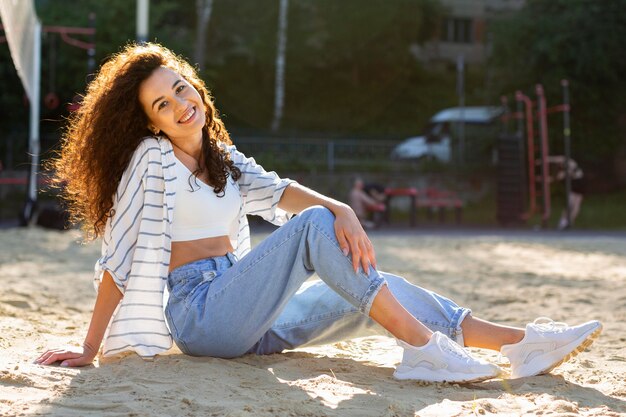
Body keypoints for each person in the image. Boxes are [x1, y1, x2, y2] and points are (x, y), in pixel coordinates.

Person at [35, 43, 602, 383]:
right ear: (150, 122)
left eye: (183, 88)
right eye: (163, 104)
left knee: (377, 288)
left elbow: (280, 192)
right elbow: (122, 257)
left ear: (196, 87)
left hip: (251, 313)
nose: (182, 105)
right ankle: (425, 352)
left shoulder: (221, 157)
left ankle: (518, 343)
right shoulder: (150, 162)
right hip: (203, 316)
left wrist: (341, 208)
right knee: (312, 232)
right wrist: (89, 348)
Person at [546, 156, 584, 230]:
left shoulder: (570, 163)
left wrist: (548, 159)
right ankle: (563, 222)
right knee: (570, 205)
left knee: (576, 206)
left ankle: (569, 222)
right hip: (575, 186)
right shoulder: (563, 172)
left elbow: (560, 158)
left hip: (580, 185)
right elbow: (556, 178)